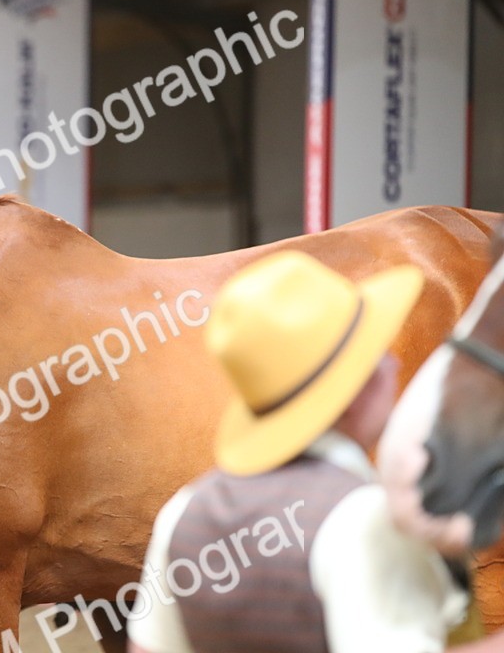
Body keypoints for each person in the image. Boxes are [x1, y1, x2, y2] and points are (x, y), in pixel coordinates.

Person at [128, 250, 504, 653]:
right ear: (350, 391)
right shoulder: (365, 519)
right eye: (376, 355)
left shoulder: (183, 513)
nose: (395, 365)